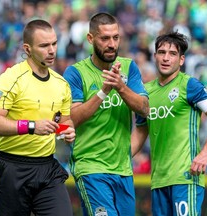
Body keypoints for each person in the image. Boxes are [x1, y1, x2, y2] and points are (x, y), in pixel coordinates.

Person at [0, 19, 75, 216]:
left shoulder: (61, 84)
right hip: (13, 168)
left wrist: (67, 131)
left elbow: (64, 121)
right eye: (44, 45)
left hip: (47, 167)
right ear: (28, 48)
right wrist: (31, 126)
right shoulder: (10, 79)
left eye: (54, 43)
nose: (51, 50)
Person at [131, 31, 207, 216]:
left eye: (172, 54)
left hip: (186, 177)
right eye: (161, 52)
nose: (166, 58)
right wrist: (122, 158)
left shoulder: (189, 85)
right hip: (158, 180)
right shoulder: (145, 92)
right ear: (154, 56)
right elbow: (141, 131)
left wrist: (206, 152)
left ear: (181, 60)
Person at [63, 12, 149, 216]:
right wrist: (103, 91)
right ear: (90, 39)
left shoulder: (129, 67)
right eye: (105, 38)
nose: (112, 44)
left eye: (115, 37)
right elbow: (72, 118)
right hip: (90, 167)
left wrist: (120, 86)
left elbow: (145, 108)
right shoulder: (75, 73)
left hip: (123, 170)